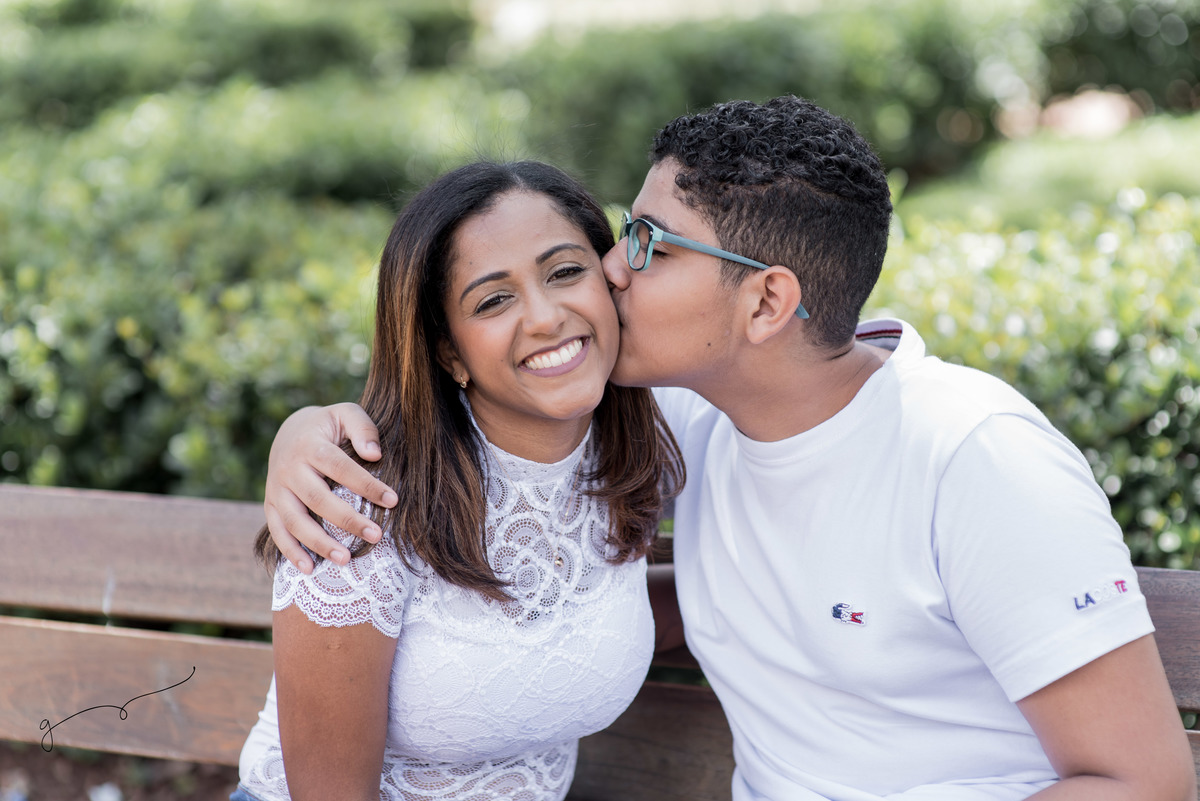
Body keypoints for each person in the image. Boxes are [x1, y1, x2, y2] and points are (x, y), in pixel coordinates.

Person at [258, 97, 1196, 800]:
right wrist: (309, 435)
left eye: (651, 245)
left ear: (767, 301)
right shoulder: (695, 418)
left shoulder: (977, 459)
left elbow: (1147, 782)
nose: (610, 269)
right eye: (626, 232)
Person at [234, 160, 684, 801]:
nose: (545, 317)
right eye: (493, 300)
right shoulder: (363, 509)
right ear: (449, 352)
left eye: (564, 272)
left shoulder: (635, 447)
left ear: (610, 278)